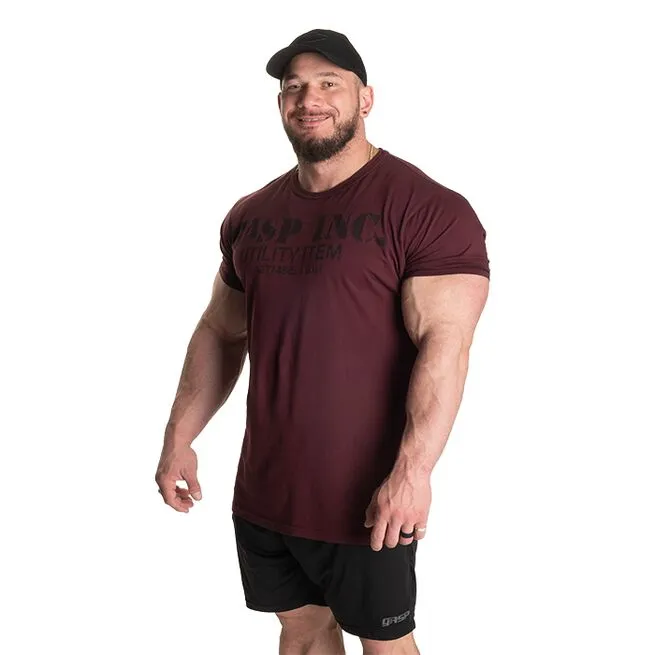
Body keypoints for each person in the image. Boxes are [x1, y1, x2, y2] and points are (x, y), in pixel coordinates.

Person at [155, 28, 491, 655]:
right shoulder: (251, 215)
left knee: (386, 645)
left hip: (368, 498)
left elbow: (445, 347)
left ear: (365, 98)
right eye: (294, 87)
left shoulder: (426, 209)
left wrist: (413, 474)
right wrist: (179, 437)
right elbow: (222, 331)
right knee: (302, 633)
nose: (309, 99)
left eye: (329, 84)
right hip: (265, 491)